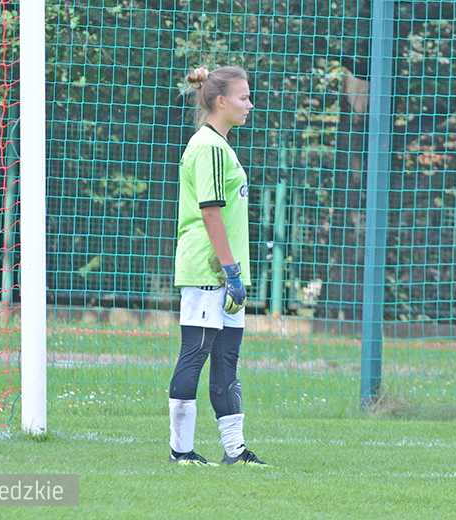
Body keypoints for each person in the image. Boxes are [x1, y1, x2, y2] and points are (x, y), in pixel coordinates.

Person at [168, 65, 266, 466]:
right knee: (196, 351)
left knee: (227, 357)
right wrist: (230, 272)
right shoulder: (207, 146)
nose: (250, 103)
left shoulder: (221, 146)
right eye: (243, 97)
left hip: (226, 271)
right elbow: (210, 213)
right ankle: (181, 450)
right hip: (209, 269)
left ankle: (235, 450)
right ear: (220, 101)